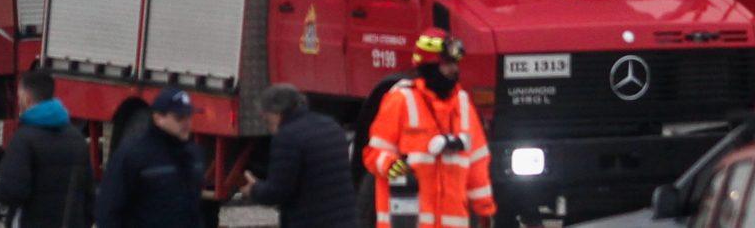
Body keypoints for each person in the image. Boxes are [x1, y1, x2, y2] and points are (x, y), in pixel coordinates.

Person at [362, 34, 492, 228]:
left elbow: (477, 164)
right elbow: (374, 154)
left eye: (455, 64)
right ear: (430, 66)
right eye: (447, 64)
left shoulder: (463, 105)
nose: (454, 70)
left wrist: (484, 210)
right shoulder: (400, 100)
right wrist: (390, 164)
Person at [233, 84, 355, 228]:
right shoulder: (331, 125)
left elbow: (278, 191)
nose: (267, 125)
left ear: (275, 114)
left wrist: (253, 189)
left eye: (266, 119)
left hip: (310, 220)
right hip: (345, 218)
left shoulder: (287, 137)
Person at [0, 69, 89, 228]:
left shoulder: (23, 140)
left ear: (27, 98)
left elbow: (13, 191)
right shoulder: (77, 138)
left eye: (19, 96)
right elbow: (88, 197)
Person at [94, 87, 204, 228]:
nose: (187, 123)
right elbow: (108, 210)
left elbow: (195, 211)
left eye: (189, 116)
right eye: (179, 118)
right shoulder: (133, 155)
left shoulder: (193, 156)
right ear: (158, 118)